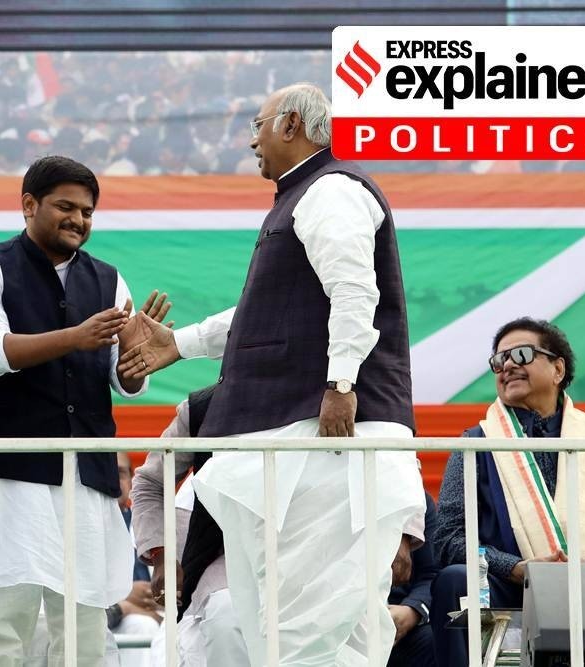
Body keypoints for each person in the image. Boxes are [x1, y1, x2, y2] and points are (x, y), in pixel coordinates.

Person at [117, 83, 425, 665]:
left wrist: (341, 385)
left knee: (311, 619)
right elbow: (267, 317)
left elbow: (354, 291)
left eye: (257, 126)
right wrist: (178, 344)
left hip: (324, 440)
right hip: (301, 442)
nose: (252, 140)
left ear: (290, 125)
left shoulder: (331, 189)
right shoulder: (301, 197)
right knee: (291, 619)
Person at [0, 155, 168, 666]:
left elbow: (122, 379)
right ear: (29, 205)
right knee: (3, 623)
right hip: (13, 472)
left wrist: (136, 361)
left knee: (84, 629)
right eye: (65, 207)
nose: (78, 220)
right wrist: (76, 337)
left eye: (87, 212)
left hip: (87, 476)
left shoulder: (109, 280)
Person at [429, 317, 585, 667]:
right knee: (454, 580)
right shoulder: (476, 444)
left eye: (520, 354)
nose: (507, 366)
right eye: (498, 360)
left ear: (557, 369)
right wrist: (516, 568)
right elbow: (447, 539)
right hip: (510, 586)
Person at [130, 385, 250, 667]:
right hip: (227, 555)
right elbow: (149, 483)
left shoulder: (334, 399)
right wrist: (161, 555)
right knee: (226, 614)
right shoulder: (203, 408)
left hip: (318, 549)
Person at [106, 453, 161, 640]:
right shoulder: (78, 525)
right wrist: (125, 595)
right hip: (107, 615)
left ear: (131, 481)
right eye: (108, 472)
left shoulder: (151, 522)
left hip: (151, 613)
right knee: (142, 626)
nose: (114, 480)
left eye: (120, 473)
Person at [387, 494, 438, 667]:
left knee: (438, 642)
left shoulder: (418, 500)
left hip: (400, 621)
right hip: (343, 624)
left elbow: (431, 574)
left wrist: (411, 611)